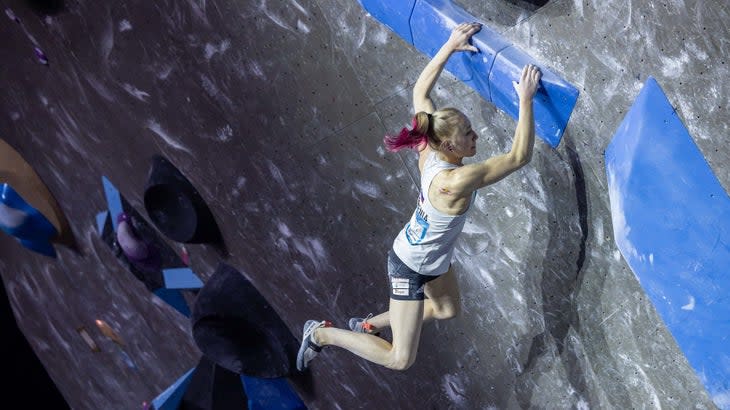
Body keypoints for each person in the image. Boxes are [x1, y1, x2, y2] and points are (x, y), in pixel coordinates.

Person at [297, 22, 542, 372]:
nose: (476, 137)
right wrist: (525, 100)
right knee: (399, 358)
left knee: (446, 309)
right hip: (409, 266)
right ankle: (321, 335)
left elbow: (420, 91)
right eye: (468, 135)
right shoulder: (455, 181)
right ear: (449, 145)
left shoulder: (430, 147)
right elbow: (518, 157)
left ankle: (368, 325)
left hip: (431, 258)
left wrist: (450, 44)